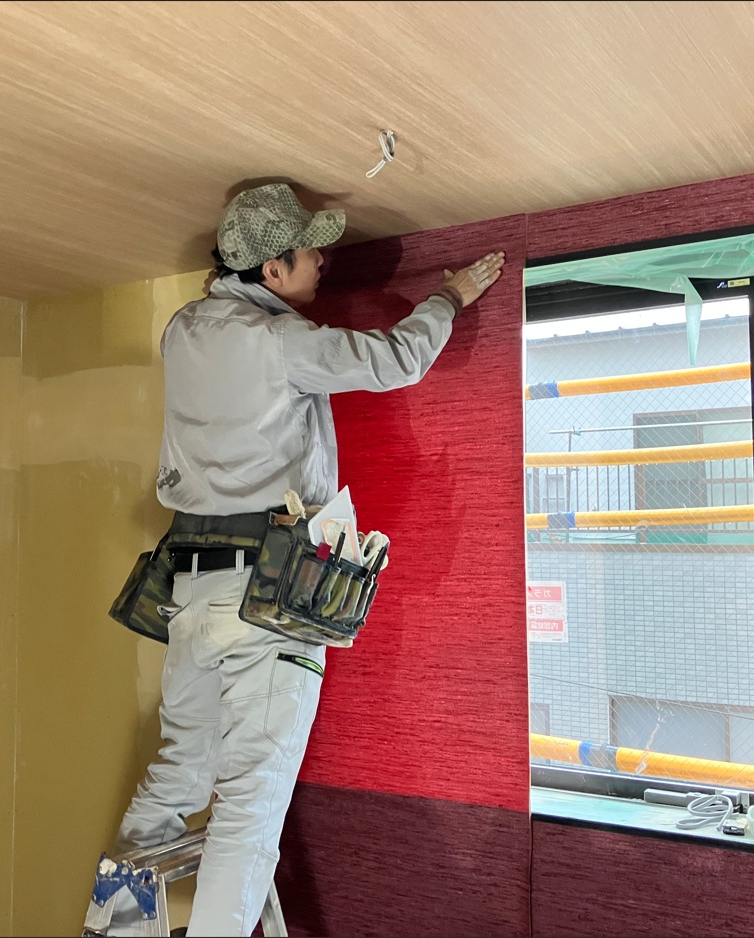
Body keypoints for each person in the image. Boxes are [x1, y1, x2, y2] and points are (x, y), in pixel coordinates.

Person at [107, 182, 504, 937]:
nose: (323, 261)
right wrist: (449, 298)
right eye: (310, 252)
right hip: (265, 595)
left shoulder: (183, 330)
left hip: (191, 594)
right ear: (271, 270)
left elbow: (227, 320)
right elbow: (394, 361)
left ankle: (120, 925)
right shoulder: (280, 341)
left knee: (180, 771)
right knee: (250, 805)